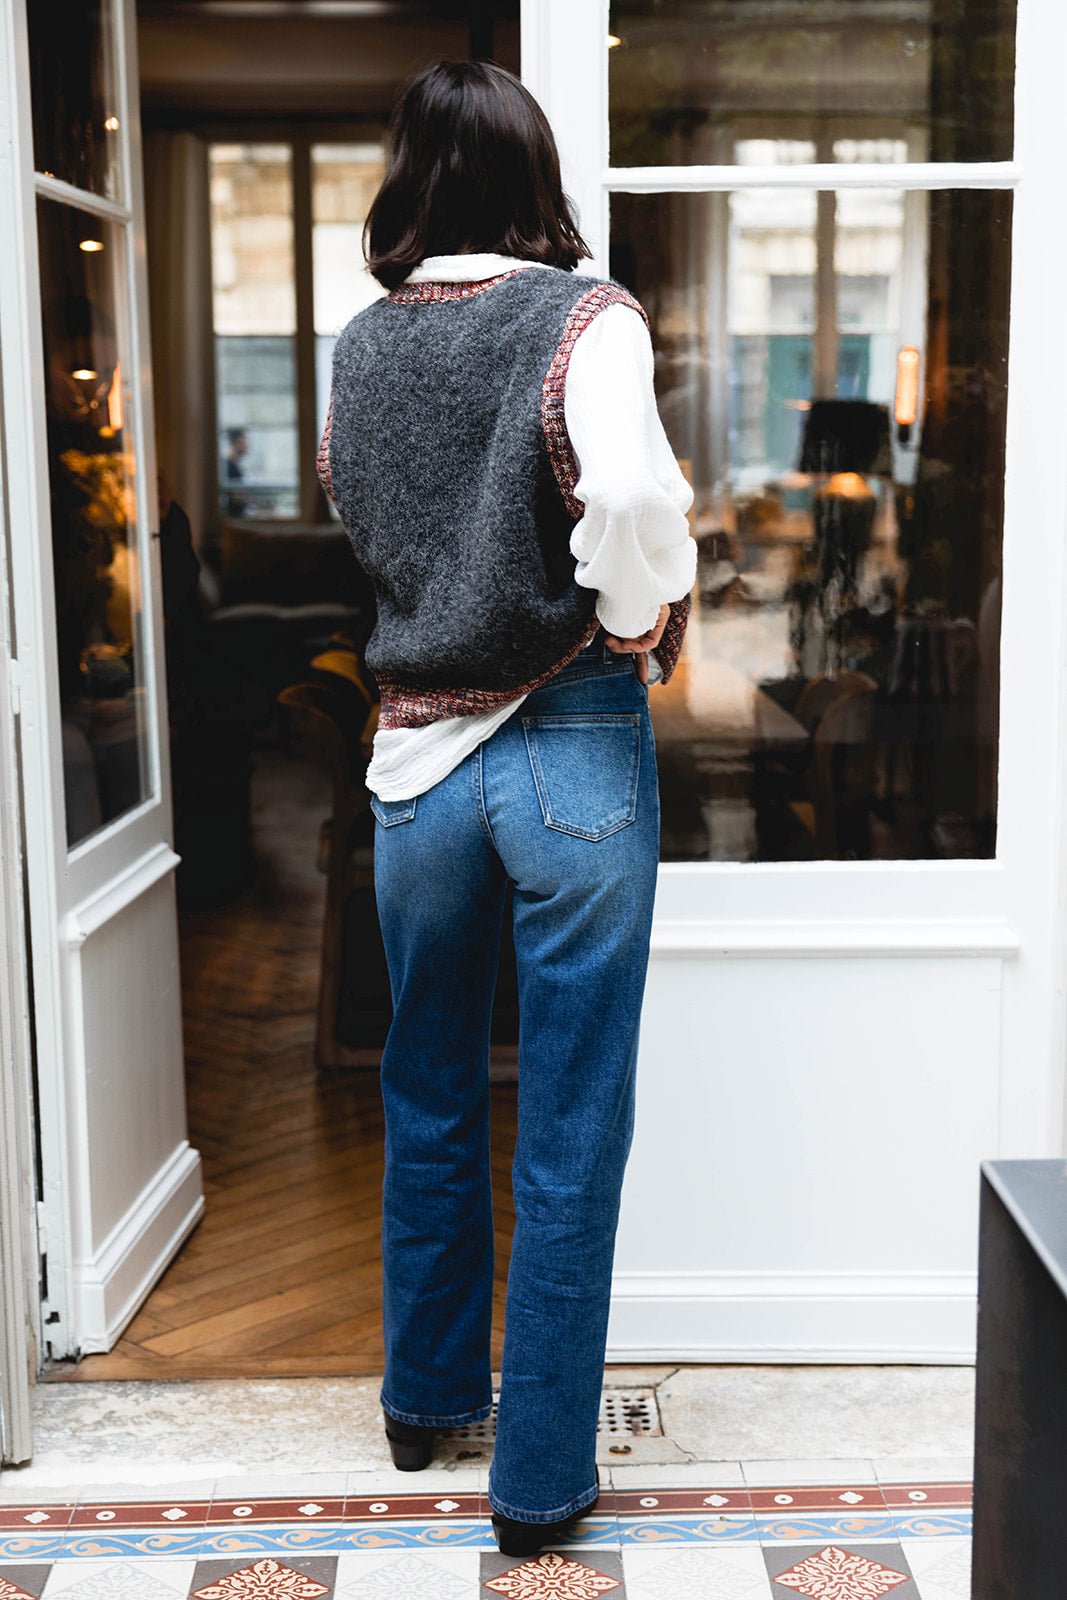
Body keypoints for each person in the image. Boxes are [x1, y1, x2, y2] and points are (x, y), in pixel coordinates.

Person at [316, 59, 695, 1558]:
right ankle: (535, 1484)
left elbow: (363, 516)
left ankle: (424, 1401)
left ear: (410, 176)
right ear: (535, 172)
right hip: (571, 745)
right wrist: (634, 618)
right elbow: (637, 504)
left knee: (427, 1087)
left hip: (415, 763)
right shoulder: (587, 319)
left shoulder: (359, 346)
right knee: (571, 1121)